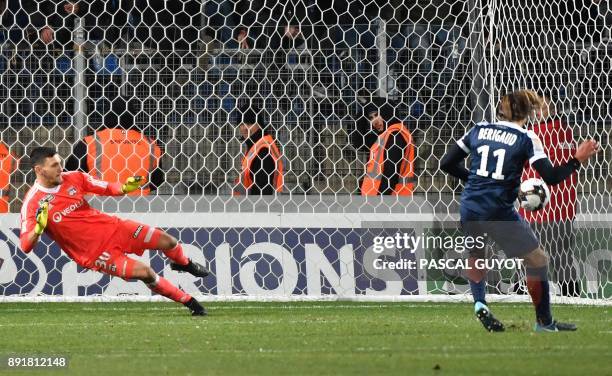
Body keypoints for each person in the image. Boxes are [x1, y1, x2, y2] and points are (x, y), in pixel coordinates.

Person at [440, 89, 599, 332]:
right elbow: (552, 177)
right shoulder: (527, 138)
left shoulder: (479, 129)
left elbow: (446, 164)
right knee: (537, 259)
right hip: (498, 210)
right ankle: (545, 323)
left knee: (477, 256)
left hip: (470, 205)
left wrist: (473, 179)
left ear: (502, 110)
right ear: (528, 112)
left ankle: (480, 303)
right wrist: (577, 159)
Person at [20, 147, 209, 316]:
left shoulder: (75, 177)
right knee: (146, 273)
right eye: (54, 165)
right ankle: (189, 302)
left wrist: (124, 188)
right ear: (39, 170)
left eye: (60, 163)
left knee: (169, 242)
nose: (61, 168)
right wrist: (38, 230)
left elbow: (108, 187)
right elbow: (25, 246)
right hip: (96, 253)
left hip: (115, 228)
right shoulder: (32, 203)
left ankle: (184, 264)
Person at [519, 97, 581, 297]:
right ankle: (571, 294)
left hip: (537, 207)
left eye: (541, 108)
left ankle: (522, 290)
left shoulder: (534, 135)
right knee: (562, 255)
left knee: (528, 251)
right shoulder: (566, 132)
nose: (537, 112)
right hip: (565, 206)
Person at [65, 126, 163, 195]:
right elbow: (157, 181)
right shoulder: (150, 144)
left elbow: (68, 175)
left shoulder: (91, 141)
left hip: (99, 209)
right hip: (139, 208)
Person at [352, 97, 415, 195]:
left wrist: (379, 202)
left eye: (377, 115)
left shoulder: (396, 136)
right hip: (380, 202)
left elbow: (390, 177)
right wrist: (361, 113)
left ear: (386, 112)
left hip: (388, 203)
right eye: (371, 118)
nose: (374, 121)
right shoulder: (385, 136)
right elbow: (358, 144)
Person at [233, 106, 284, 195]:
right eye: (241, 124)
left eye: (249, 123)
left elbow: (263, 192)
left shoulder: (263, 151)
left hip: (257, 206)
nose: (244, 128)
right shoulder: (255, 147)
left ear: (259, 125)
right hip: (247, 205)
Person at [0, 141, 17, 213]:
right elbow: (17, 163)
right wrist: (9, 173)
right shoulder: (7, 148)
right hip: (4, 189)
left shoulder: (7, 148)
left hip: (4, 191)